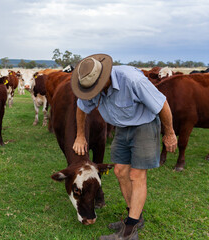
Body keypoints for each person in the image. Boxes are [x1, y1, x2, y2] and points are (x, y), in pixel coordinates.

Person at [71, 54, 177, 240]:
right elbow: (81, 107)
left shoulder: (132, 80)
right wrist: (80, 135)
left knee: (136, 175)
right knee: (120, 171)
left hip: (144, 125)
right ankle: (135, 217)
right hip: (122, 128)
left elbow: (162, 104)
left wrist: (169, 133)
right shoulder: (91, 87)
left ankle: (129, 232)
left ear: (104, 80)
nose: (91, 95)